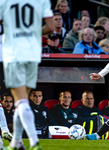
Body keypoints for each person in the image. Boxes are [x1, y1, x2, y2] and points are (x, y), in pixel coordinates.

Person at [0, 0, 54, 149]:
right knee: (22, 102)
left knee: (21, 101)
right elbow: (50, 27)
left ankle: (34, 142)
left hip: (14, 54)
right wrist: (32, 32)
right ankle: (16, 142)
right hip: (32, 54)